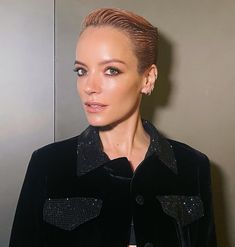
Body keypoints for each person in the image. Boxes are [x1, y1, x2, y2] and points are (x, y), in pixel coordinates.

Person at [9, 8, 217, 247]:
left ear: (147, 79)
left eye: (111, 70)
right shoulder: (47, 164)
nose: (89, 86)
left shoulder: (193, 166)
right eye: (81, 71)